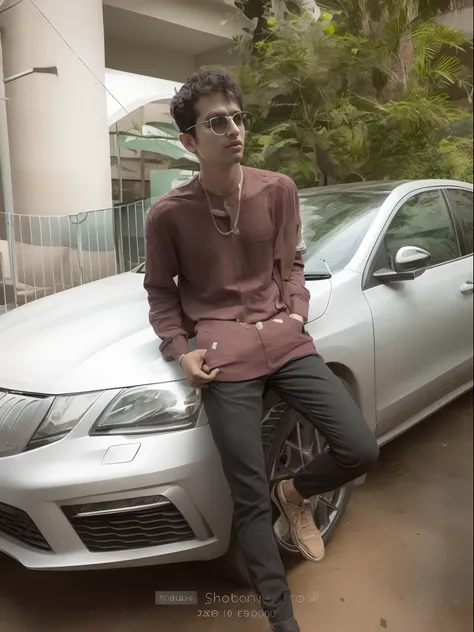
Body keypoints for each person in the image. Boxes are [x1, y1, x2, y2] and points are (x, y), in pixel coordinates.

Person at [143, 70, 379, 632]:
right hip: (225, 356)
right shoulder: (168, 215)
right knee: (247, 498)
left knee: (360, 448)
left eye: (238, 117)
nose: (234, 129)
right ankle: (283, 622)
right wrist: (181, 351)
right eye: (216, 121)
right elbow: (160, 292)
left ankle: (293, 490)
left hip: (286, 340)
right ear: (189, 140)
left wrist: (296, 310)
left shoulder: (278, 190)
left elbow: (292, 263)